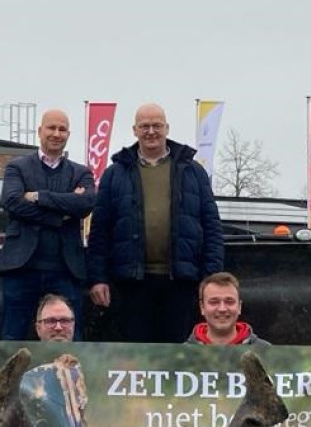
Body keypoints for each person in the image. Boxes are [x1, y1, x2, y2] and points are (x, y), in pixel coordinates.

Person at [86, 102, 224, 343]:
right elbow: (100, 231)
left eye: (157, 125)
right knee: (137, 356)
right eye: (145, 126)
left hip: (182, 282)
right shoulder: (115, 174)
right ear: (134, 130)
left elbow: (212, 227)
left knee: (179, 352)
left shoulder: (193, 171)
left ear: (167, 128)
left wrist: (211, 278)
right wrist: (97, 278)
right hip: (131, 284)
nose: (151, 131)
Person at [0, 107, 98, 340]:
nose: (56, 133)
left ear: (68, 134)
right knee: (13, 337)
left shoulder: (81, 172)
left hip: (65, 269)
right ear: (40, 131)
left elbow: (86, 204)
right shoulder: (17, 167)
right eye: (51, 128)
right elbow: (12, 202)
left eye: (62, 129)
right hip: (21, 268)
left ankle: (70, 377)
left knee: (71, 338)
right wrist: (60, 215)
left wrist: (39, 197)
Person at [187, 271, 268, 346]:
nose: (222, 309)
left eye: (229, 301)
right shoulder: (182, 352)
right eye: (214, 302)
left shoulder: (264, 348)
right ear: (202, 307)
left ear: (239, 306)